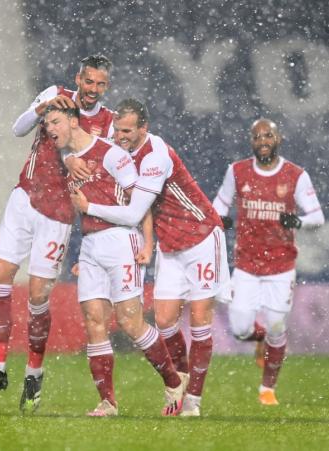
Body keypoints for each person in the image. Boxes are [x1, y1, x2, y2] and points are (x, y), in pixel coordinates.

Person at [0, 55, 114, 414]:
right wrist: (45, 107)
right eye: (89, 81)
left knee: (37, 296)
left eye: (101, 84)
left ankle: (34, 371)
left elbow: (102, 173)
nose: (93, 90)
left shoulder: (108, 124)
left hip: (59, 215)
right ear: (78, 78)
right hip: (24, 197)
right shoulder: (55, 93)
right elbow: (18, 129)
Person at [71, 99, 230, 417]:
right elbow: (89, 153)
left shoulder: (155, 158)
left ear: (145, 128)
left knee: (199, 321)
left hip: (200, 236)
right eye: (117, 129)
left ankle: (193, 402)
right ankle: (180, 381)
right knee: (165, 322)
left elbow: (134, 211)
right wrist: (71, 160)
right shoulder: (120, 151)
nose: (120, 136)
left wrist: (88, 208)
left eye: (128, 130)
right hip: (170, 246)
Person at [46, 104, 188, 417]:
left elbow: (141, 203)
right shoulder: (67, 159)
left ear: (72, 122)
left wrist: (148, 243)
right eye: (47, 124)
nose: (50, 129)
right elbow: (78, 208)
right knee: (94, 322)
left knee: (129, 322)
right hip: (91, 244)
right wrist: (84, 254)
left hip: (122, 240)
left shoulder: (113, 155)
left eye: (55, 122)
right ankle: (107, 401)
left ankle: (173, 381)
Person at [212, 118, 324, 406]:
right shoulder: (237, 171)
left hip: (281, 265)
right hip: (247, 264)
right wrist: (218, 218)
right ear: (252, 141)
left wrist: (298, 220)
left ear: (279, 139)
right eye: (258, 136)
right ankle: (260, 341)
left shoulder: (295, 175)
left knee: (276, 325)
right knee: (240, 329)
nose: (263, 140)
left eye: (268, 136)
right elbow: (220, 203)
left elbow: (317, 216)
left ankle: (267, 390)